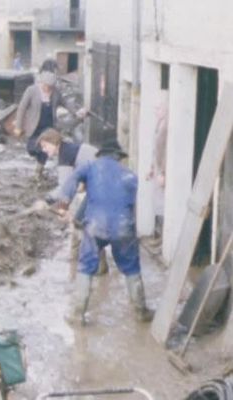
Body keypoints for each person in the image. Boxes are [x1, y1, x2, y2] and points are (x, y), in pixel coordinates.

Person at [57, 138, 154, 325]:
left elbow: (73, 179)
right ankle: (141, 312)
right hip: (123, 227)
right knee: (131, 268)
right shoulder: (130, 176)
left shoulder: (90, 167)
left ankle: (78, 315)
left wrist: (63, 203)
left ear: (101, 155)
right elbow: (126, 203)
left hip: (95, 226)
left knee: (85, 266)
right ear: (118, 157)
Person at [37, 128, 108, 279]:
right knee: (79, 221)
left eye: (45, 146)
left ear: (54, 142)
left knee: (82, 223)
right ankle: (77, 259)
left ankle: (99, 267)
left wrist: (47, 199)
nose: (43, 150)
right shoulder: (69, 148)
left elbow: (65, 187)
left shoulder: (65, 155)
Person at [14, 71, 85, 175]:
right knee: (32, 147)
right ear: (41, 83)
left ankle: (39, 170)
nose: (47, 88)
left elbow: (65, 103)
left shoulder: (55, 92)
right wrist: (18, 126)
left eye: (50, 87)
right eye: (46, 86)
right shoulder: (31, 90)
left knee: (45, 149)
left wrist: (76, 112)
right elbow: (22, 108)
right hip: (34, 125)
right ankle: (39, 157)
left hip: (48, 126)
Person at [146, 95, 168, 247]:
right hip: (157, 168)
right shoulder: (159, 123)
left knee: (162, 204)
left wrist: (163, 173)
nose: (155, 111)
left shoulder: (166, 126)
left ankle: (162, 238)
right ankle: (158, 235)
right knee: (157, 202)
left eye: (158, 108)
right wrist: (152, 168)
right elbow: (156, 150)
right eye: (155, 108)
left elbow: (165, 151)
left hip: (163, 170)